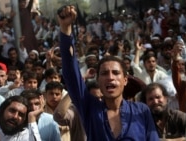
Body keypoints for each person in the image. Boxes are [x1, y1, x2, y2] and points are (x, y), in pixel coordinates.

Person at [58, 5, 159, 141]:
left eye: (116, 73)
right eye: (104, 73)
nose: (110, 77)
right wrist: (65, 29)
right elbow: (70, 72)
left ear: (125, 80)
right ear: (98, 80)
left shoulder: (141, 111)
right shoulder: (90, 108)